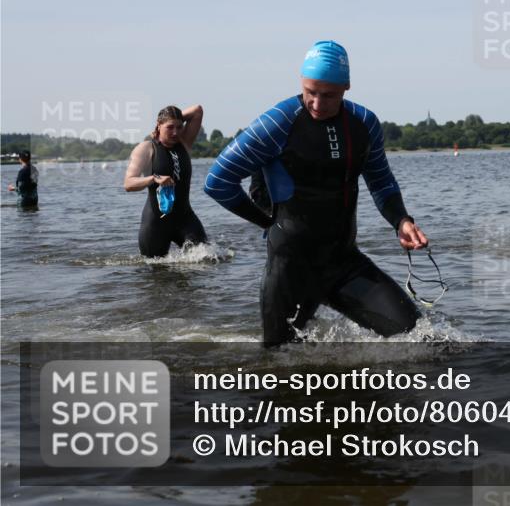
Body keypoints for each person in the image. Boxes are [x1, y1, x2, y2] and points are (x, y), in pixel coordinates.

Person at [204, 40, 427, 346]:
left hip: (345, 263)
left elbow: (382, 182)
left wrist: (401, 221)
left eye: (329, 95)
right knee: (279, 366)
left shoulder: (364, 124)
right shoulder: (277, 123)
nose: (318, 104)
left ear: (346, 87)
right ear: (301, 83)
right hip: (289, 270)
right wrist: (266, 223)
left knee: (422, 339)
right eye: (311, 92)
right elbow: (217, 180)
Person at [124, 105, 208, 256]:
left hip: (185, 219)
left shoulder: (184, 143)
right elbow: (128, 184)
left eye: (179, 127)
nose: (175, 132)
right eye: (170, 127)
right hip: (156, 224)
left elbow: (197, 110)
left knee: (207, 259)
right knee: (155, 272)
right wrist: (154, 178)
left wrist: (173, 116)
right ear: (159, 125)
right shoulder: (146, 148)